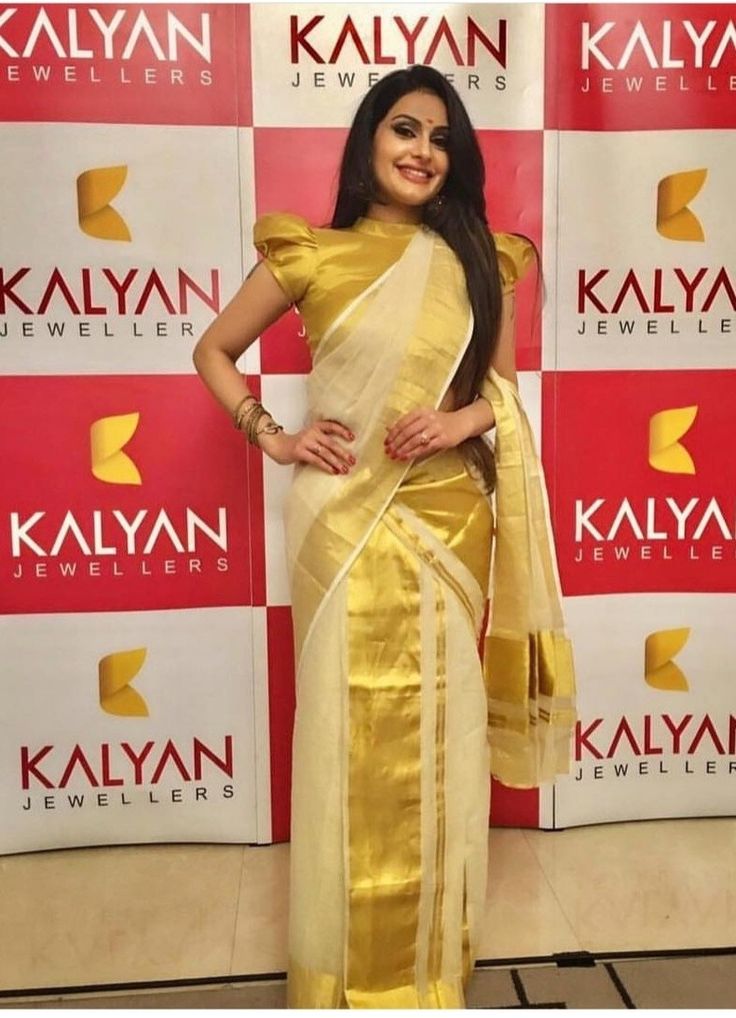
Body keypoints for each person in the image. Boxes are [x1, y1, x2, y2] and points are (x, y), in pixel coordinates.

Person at [193, 65, 576, 1010]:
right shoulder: (309, 254)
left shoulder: (488, 257)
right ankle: (337, 974)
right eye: (404, 130)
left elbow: (505, 397)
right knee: (343, 741)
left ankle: (426, 968)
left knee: (438, 743)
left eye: (443, 139)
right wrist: (272, 436)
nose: (422, 152)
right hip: (341, 525)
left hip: (449, 525)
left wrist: (458, 422)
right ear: (368, 140)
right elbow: (212, 349)